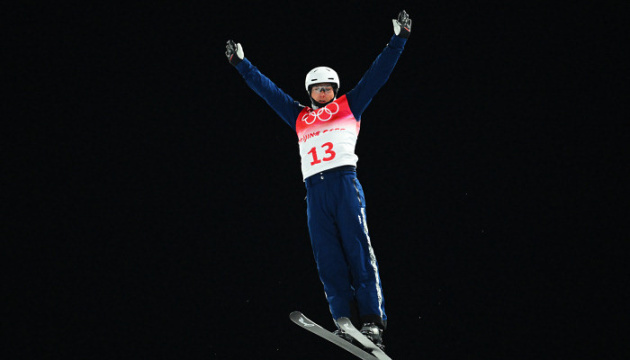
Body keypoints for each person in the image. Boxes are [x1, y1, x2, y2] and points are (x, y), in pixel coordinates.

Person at [225, 10, 411, 350]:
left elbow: (377, 75)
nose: (323, 93)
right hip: (315, 191)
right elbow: (268, 91)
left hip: (343, 184)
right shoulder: (298, 117)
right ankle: (343, 320)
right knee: (327, 257)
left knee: (357, 250)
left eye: (328, 89)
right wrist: (241, 63)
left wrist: (398, 40)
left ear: (335, 90)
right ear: (310, 91)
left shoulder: (350, 105)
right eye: (318, 89)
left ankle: (372, 323)